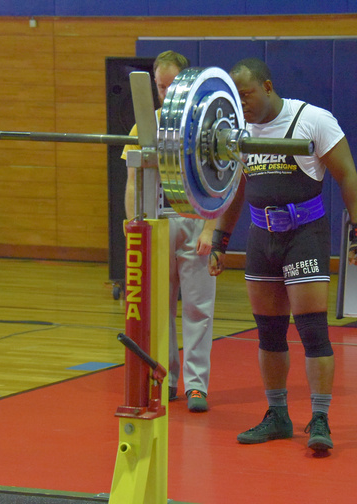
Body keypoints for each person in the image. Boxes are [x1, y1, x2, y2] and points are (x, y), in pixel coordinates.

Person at [208, 58, 357, 452]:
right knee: (269, 334)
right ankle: (278, 415)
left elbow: (347, 175)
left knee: (313, 332)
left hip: (305, 236)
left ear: (267, 86)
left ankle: (320, 418)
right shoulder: (237, 132)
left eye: (246, 95)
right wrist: (219, 240)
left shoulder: (312, 119)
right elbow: (235, 190)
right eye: (235, 98)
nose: (241, 104)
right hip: (261, 238)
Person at [122, 50, 216, 413]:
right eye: (160, 86)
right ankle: (166, 378)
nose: (165, 92)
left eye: (172, 85)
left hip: (195, 222)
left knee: (198, 308)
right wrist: (135, 227)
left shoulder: (205, 126)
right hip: (158, 222)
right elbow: (134, 181)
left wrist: (211, 229)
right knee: (158, 309)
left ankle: (197, 386)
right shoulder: (144, 127)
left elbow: (220, 182)